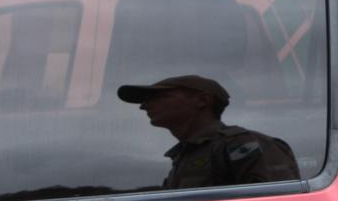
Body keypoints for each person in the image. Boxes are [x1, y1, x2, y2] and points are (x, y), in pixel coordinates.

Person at [118, 75, 300, 189]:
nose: (143, 106)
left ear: (203, 101)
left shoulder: (243, 145)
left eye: (159, 97)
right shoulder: (185, 155)